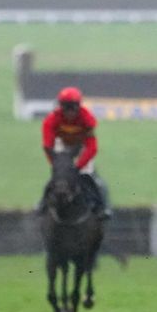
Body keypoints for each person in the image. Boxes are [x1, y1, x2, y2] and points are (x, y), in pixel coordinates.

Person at [40, 86, 110, 220]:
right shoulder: (50, 120)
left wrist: (78, 167)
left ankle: (102, 206)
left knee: (88, 175)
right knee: (58, 176)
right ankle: (42, 204)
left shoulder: (87, 119)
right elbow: (48, 146)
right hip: (61, 145)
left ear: (78, 106)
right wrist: (58, 166)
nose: (70, 112)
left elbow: (92, 147)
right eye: (66, 107)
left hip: (81, 147)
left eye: (73, 107)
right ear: (61, 107)